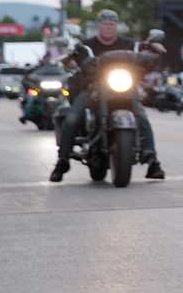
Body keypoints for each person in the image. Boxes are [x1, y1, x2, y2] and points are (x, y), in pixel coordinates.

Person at [50, 10, 165, 183]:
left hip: (124, 88)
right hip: (93, 89)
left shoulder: (129, 44)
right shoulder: (87, 45)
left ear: (116, 26)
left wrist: (152, 48)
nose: (108, 27)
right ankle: (62, 161)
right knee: (72, 117)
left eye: (112, 24)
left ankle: (152, 161)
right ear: (98, 26)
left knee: (141, 116)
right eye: (105, 23)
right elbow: (70, 59)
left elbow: (146, 53)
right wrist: (69, 56)